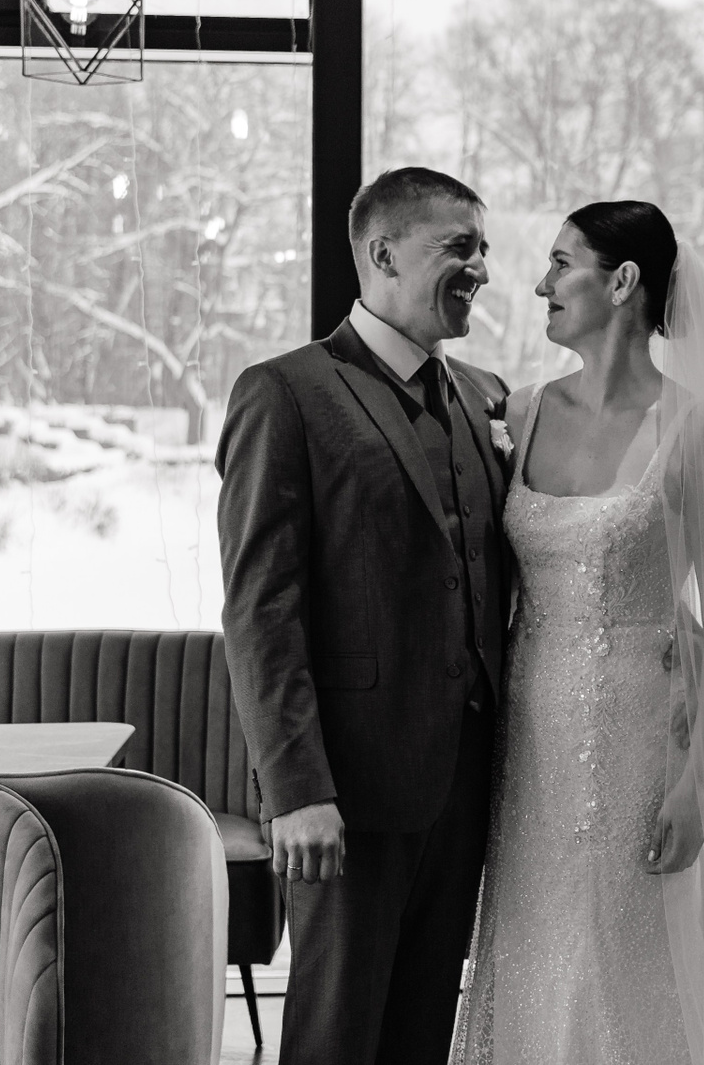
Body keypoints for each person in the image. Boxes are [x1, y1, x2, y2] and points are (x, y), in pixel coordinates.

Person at [453, 200, 704, 1065]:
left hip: (639, 743)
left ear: (621, 282)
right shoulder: (520, 414)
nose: (540, 285)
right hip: (526, 744)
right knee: (532, 952)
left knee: (622, 958)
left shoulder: (695, 431)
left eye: (560, 263)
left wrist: (697, 784)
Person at [216, 167, 514, 1065]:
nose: (481, 269)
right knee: (336, 1037)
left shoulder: (483, 397)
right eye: (460, 247)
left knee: (423, 1031)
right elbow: (261, 609)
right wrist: (297, 791)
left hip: (467, 787)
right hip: (346, 792)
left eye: (484, 249)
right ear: (383, 255)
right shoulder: (284, 393)